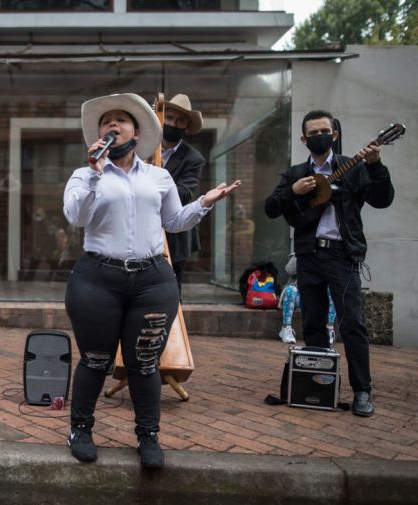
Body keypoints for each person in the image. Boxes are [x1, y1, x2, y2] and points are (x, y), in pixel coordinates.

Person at [63, 93, 240, 468]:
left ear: (138, 132)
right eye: (105, 121)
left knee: (145, 363)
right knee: (95, 360)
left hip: (151, 279)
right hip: (97, 278)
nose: (112, 125)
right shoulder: (84, 175)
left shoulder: (159, 176)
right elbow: (76, 216)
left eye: (120, 120)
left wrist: (205, 202)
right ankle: (80, 429)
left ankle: (148, 436)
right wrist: (94, 172)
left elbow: (174, 222)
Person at [264, 109, 394, 417]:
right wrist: (293, 193)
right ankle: (318, 387)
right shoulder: (296, 173)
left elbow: (383, 198)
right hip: (308, 256)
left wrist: (375, 166)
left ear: (334, 135)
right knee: (312, 322)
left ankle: (362, 391)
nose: (319, 137)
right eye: (313, 133)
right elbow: (271, 208)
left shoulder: (352, 168)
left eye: (325, 131)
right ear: (303, 139)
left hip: (342, 255)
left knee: (352, 323)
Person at [159, 94, 206, 293]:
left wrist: (149, 182)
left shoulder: (193, 158)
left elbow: (184, 194)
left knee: (171, 292)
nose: (172, 123)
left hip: (173, 236)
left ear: (186, 126)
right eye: (168, 118)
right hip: (140, 232)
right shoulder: (141, 147)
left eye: (179, 121)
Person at [277, 252, 335, 345]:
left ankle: (329, 328)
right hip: (299, 295)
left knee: (332, 291)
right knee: (290, 290)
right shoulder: (301, 253)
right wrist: (301, 254)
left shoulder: (326, 255)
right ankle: (286, 328)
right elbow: (289, 270)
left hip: (319, 296)